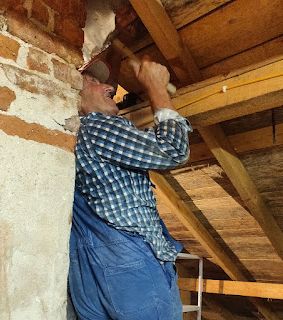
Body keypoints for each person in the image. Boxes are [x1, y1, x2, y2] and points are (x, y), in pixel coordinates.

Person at [68, 48, 192, 320]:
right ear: (74, 99)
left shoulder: (77, 135)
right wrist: (157, 88)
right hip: (131, 266)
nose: (108, 87)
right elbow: (173, 149)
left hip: (94, 266)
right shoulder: (97, 126)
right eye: (91, 81)